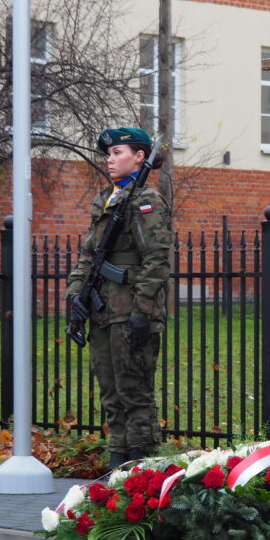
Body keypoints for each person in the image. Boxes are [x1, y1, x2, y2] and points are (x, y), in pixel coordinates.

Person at [66, 127, 171, 469]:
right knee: (111, 393)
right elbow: (87, 255)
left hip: (130, 312)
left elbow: (157, 260)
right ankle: (117, 464)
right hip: (102, 312)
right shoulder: (105, 200)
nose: (110, 160)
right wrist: (75, 297)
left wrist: (142, 311)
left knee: (134, 392)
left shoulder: (146, 201)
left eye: (118, 153)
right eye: (108, 154)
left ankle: (141, 468)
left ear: (140, 158)